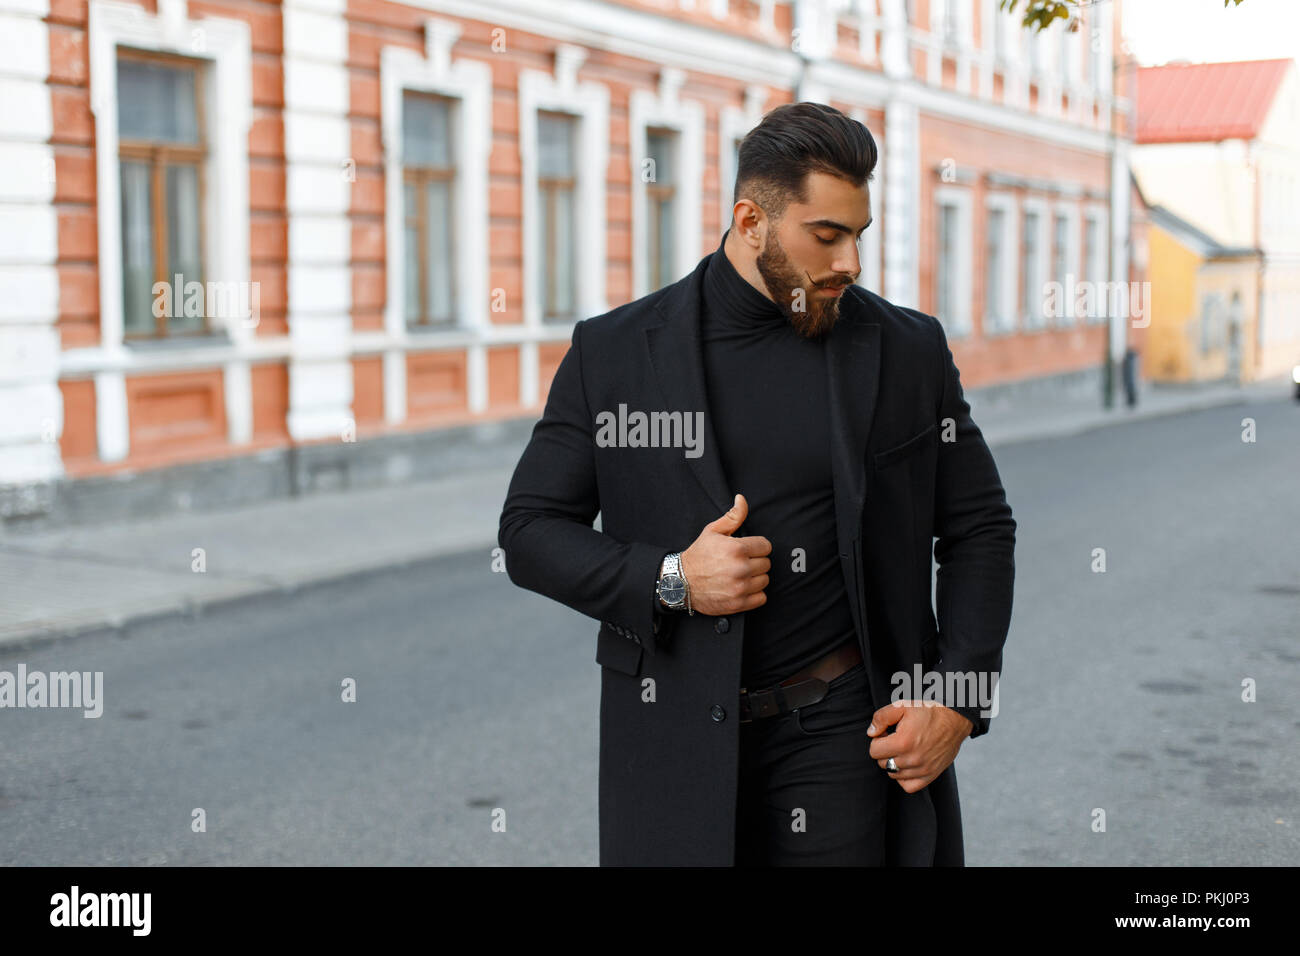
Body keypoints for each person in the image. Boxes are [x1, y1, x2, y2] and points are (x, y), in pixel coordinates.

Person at [498, 101, 1016, 866]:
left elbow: (978, 527)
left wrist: (958, 698)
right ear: (750, 221)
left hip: (847, 737)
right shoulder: (614, 353)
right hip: (672, 739)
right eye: (827, 236)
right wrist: (673, 579)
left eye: (859, 235)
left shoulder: (907, 350)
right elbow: (530, 532)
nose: (851, 263)